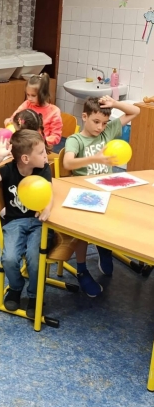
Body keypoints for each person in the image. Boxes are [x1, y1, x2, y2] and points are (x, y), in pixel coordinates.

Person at [63, 95, 140, 295]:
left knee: (121, 213)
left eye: (104, 123)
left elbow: (136, 111)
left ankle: (104, 246)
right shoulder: (76, 140)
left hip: (107, 189)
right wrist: (94, 159)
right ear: (84, 117)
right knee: (82, 230)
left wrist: (114, 104)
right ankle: (81, 269)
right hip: (86, 194)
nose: (100, 127)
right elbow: (67, 163)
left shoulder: (107, 132)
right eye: (96, 121)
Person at [0, 129, 53, 318]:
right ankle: (16, 288)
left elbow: (49, 192)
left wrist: (48, 208)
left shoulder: (43, 168)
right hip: (14, 223)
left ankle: (35, 295)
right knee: (9, 259)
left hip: (38, 223)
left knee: (34, 258)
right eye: (41, 152)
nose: (46, 155)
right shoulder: (8, 170)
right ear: (25, 158)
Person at [4, 73, 62, 147]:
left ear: (43, 94)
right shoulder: (27, 104)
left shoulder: (54, 111)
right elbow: (14, 118)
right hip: (24, 145)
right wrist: (9, 121)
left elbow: (56, 137)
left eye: (33, 95)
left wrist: (37, 141)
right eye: (28, 95)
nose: (29, 98)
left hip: (42, 147)